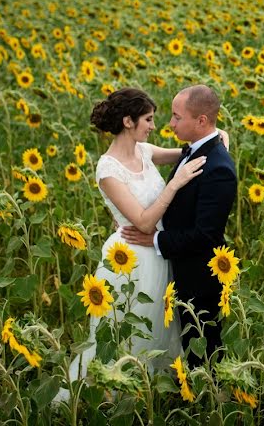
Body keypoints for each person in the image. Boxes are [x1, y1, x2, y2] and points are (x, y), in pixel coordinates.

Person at [56, 87, 222, 402]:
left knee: (160, 333)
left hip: (159, 254)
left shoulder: (145, 151)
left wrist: (217, 134)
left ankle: (152, 400)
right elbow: (143, 222)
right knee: (129, 335)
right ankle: (109, 401)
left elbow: (190, 151)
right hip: (128, 261)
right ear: (128, 121)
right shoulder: (107, 169)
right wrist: (175, 183)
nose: (153, 126)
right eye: (148, 119)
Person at [121, 84, 237, 368]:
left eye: (176, 117)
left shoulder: (219, 168)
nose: (170, 124)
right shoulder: (195, 148)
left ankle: (211, 404)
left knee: (204, 347)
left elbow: (206, 235)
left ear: (201, 121)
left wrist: (157, 241)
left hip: (199, 275)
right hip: (178, 267)